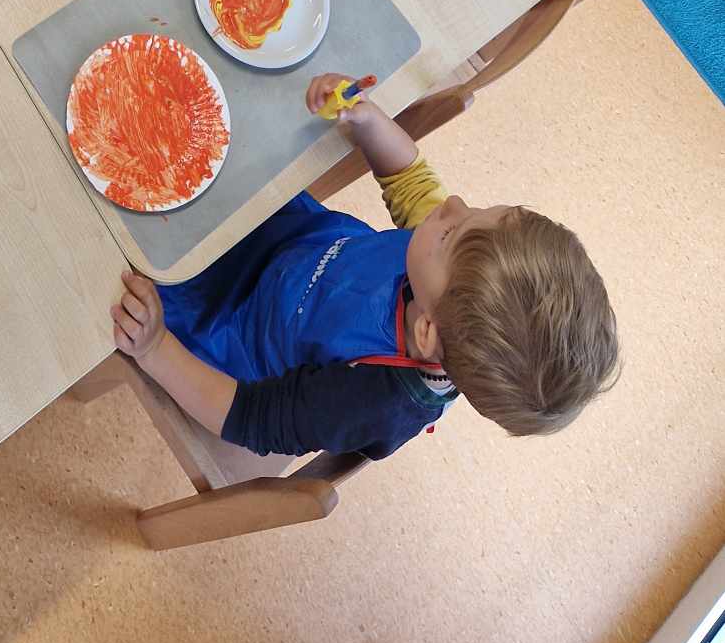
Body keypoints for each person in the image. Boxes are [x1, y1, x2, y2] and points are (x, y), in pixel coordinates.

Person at [111, 71, 619, 459]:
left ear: (426, 330)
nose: (453, 204)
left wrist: (155, 349)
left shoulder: (373, 401)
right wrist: (369, 122)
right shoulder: (449, 277)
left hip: (228, 319)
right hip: (285, 233)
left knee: (115, 244)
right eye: (477, 209)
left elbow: (249, 416)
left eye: (453, 228)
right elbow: (412, 182)